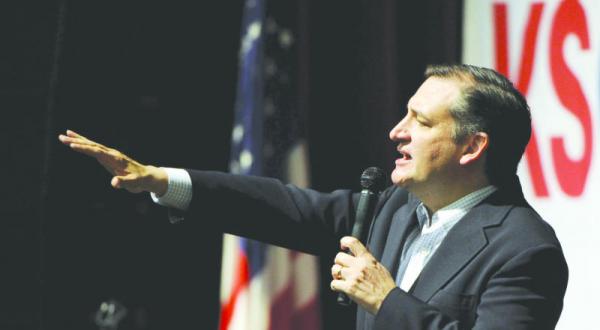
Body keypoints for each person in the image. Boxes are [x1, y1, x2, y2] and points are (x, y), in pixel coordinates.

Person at [59, 64, 568, 329]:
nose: (397, 131)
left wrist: (386, 301)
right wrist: (161, 180)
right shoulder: (396, 210)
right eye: (405, 114)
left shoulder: (524, 250)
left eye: (421, 121)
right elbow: (286, 209)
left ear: (473, 147)